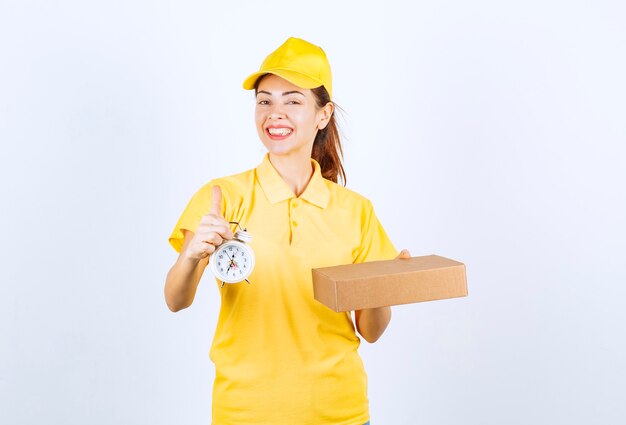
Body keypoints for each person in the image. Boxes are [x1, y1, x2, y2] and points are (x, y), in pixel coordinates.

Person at [164, 36, 410, 425]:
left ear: (323, 115)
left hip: (339, 411)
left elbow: (372, 331)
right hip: (245, 411)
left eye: (292, 101)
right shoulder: (221, 197)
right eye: (265, 100)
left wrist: (384, 288)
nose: (274, 114)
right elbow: (176, 301)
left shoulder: (355, 211)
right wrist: (192, 255)